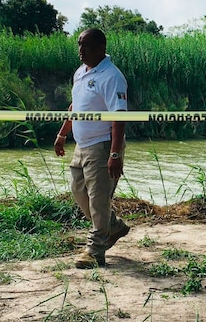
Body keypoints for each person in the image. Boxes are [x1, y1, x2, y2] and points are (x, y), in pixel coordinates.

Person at [54, 28, 131, 269]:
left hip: (102, 145)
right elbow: (75, 105)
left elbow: (119, 116)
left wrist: (115, 153)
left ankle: (95, 250)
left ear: (100, 47)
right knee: (78, 191)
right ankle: (113, 226)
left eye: (85, 45)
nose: (80, 50)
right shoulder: (80, 73)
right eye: (79, 45)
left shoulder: (112, 76)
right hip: (81, 145)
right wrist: (62, 133)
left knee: (98, 199)